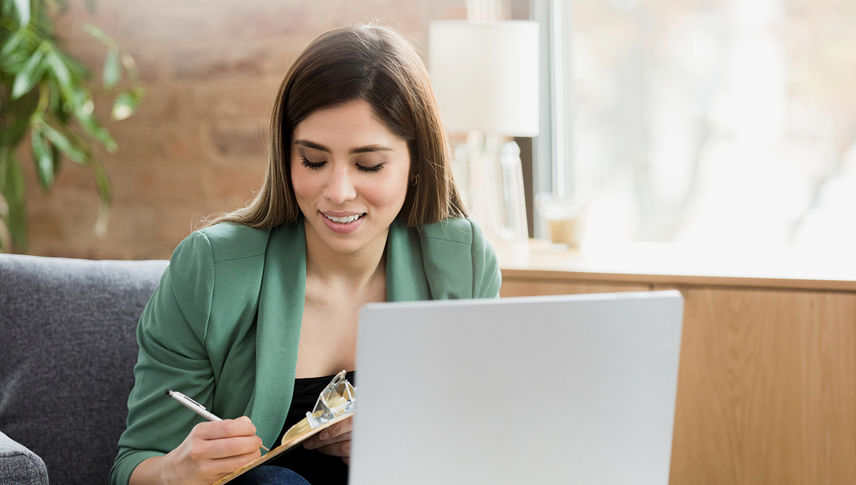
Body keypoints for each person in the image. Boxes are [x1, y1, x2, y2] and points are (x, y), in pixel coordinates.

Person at [110, 24, 501, 485]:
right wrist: (176, 471)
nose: (337, 192)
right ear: (285, 154)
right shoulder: (211, 268)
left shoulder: (461, 260)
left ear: (416, 162)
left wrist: (405, 437)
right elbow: (133, 465)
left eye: (369, 164)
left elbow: (481, 440)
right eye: (313, 161)